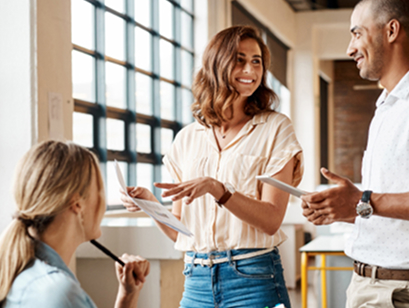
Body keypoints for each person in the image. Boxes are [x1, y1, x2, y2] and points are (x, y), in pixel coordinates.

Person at [301, 0, 409, 307]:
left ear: (391, 30)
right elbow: (394, 204)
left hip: (407, 294)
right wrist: (350, 210)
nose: (350, 48)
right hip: (371, 286)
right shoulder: (388, 106)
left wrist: (363, 200)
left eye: (357, 34)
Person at [120, 25, 303, 308]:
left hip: (253, 279)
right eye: (240, 59)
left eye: (257, 61)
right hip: (196, 281)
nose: (251, 70)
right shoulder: (187, 139)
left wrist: (218, 190)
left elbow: (271, 220)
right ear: (217, 65)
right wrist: (149, 203)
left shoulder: (275, 128)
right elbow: (181, 233)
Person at [0, 141, 150, 308]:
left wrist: (128, 296)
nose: (103, 202)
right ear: (77, 203)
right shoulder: (59, 294)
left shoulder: (28, 275)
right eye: (99, 190)